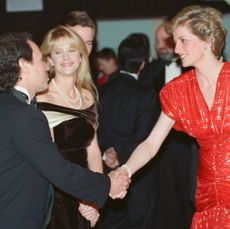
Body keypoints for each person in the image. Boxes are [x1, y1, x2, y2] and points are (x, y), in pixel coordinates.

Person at [0, 31, 130, 229]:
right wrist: (108, 185)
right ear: (24, 67)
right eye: (40, 60)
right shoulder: (26, 114)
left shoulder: (9, 105)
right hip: (30, 213)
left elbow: (91, 150)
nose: (45, 65)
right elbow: (57, 169)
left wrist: (93, 200)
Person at [117, 5, 229, 228]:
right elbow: (151, 144)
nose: (176, 49)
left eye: (182, 40)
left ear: (206, 40)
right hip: (208, 194)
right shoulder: (177, 91)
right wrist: (124, 171)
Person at [37, 25, 103, 229]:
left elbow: (93, 150)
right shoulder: (41, 98)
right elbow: (46, 159)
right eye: (58, 52)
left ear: (81, 55)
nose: (66, 57)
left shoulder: (87, 95)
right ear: (49, 59)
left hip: (85, 192)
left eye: (71, 50)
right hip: (55, 192)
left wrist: (95, 196)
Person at [98, 34, 160, 229]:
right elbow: (143, 137)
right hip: (138, 173)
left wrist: (107, 152)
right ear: (143, 62)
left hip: (105, 170)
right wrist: (121, 154)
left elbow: (94, 128)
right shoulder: (146, 94)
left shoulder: (101, 90)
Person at [139, 22, 197, 228]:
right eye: (157, 41)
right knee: (166, 203)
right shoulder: (149, 71)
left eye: (165, 40)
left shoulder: (195, 68)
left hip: (191, 147)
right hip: (159, 149)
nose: (160, 45)